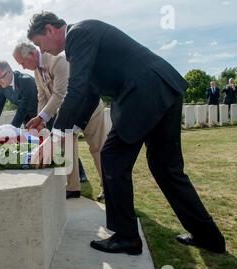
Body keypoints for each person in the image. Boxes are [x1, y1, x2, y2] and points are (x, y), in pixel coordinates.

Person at [27, 12, 226, 255]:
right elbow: (90, 93)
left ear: (49, 30)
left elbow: (76, 89)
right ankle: (209, 237)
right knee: (166, 168)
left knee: (112, 158)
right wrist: (73, 129)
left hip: (143, 91)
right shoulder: (81, 41)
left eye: (39, 43)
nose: (43, 50)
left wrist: (54, 137)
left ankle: (127, 237)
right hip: (163, 86)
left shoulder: (78, 34)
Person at [13, 42, 106, 200]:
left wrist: (42, 117)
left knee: (97, 149)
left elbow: (59, 94)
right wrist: (39, 121)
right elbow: (41, 97)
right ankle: (72, 188)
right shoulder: (37, 71)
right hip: (68, 114)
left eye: (22, 63)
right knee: (67, 148)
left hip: (88, 109)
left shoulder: (58, 61)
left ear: (32, 54)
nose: (22, 67)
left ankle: (108, 188)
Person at [0, 61, 38, 128]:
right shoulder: (2, 85)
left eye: (0, 78)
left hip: (42, 118)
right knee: (30, 138)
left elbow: (23, 108)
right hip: (27, 121)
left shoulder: (26, 81)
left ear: (9, 72)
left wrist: (11, 128)